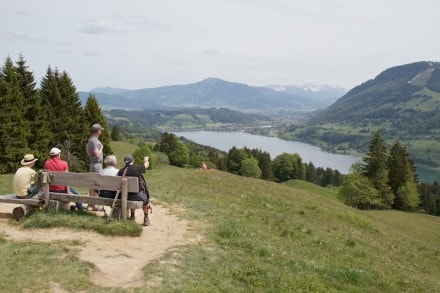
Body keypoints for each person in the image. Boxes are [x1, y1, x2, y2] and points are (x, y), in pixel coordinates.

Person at [44, 147, 84, 211]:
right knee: (76, 195)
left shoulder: (46, 163)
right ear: (58, 155)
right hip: (62, 189)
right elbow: (66, 179)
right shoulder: (64, 163)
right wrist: (68, 191)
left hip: (50, 189)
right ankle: (81, 210)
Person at [118, 155, 151, 226]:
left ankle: (132, 216)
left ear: (124, 162)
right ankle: (146, 218)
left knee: (131, 194)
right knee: (145, 198)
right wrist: (146, 159)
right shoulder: (137, 169)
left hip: (124, 196)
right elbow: (146, 165)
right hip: (136, 196)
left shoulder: (120, 171)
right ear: (132, 161)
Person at [86, 123, 104, 210]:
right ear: (97, 131)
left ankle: (91, 203)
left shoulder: (91, 139)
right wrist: (101, 148)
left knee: (92, 184)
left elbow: (86, 149)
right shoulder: (94, 140)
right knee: (97, 184)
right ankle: (95, 205)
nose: (101, 131)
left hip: (93, 163)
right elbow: (97, 155)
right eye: (100, 129)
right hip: (97, 164)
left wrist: (90, 157)